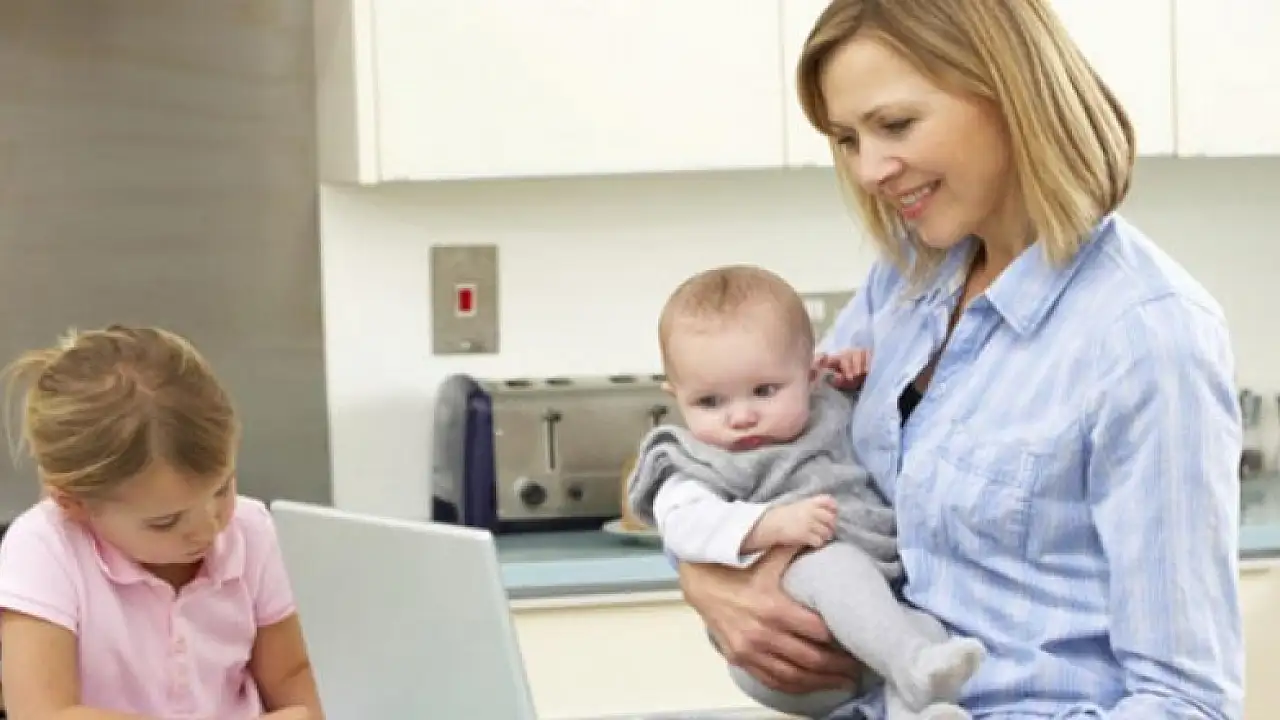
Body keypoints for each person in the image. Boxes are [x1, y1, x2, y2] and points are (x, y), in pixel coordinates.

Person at [674, 0, 1245, 718]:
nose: (869, 169)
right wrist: (706, 577)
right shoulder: (906, 280)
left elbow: (1186, 701)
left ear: (1010, 88)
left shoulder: (1146, 338)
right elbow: (758, 456)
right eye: (847, 139)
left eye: (895, 124)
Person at [627, 265, 985, 719]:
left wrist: (859, 376)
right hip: (790, 647)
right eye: (709, 402)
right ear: (674, 395)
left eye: (764, 391)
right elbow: (682, 524)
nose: (740, 417)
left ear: (811, 373)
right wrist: (767, 526)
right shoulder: (696, 461)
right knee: (832, 563)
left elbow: (880, 415)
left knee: (928, 631)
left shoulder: (827, 408)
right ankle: (913, 668)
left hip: (874, 627)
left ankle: (916, 707)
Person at [0, 325, 324, 720]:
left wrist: (311, 712)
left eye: (222, 488)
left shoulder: (250, 529)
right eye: (166, 521)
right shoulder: (44, 549)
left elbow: (290, 673)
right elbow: (42, 713)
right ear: (74, 503)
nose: (210, 528)